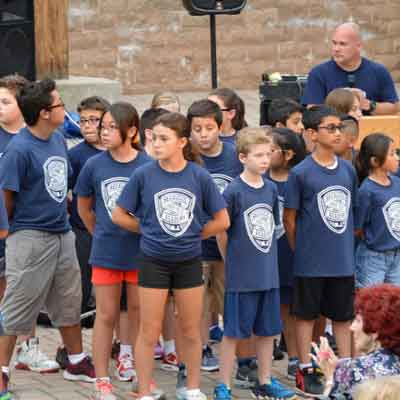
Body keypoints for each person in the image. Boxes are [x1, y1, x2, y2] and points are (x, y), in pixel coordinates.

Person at [112, 112, 230, 400]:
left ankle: (191, 387)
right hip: (153, 261)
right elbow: (118, 214)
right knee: (148, 330)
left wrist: (193, 233)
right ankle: (144, 391)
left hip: (189, 261)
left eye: (164, 138)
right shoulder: (144, 174)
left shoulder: (198, 175)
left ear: (181, 142)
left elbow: (223, 220)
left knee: (190, 330)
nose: (157, 143)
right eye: (153, 138)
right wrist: (148, 229)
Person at [0, 78, 95, 399]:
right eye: (59, 105)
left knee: (69, 299)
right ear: (43, 112)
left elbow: (61, 182)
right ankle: (1, 371)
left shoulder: (55, 139)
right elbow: (7, 199)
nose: (63, 109)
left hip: (61, 232)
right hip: (29, 237)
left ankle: (76, 359)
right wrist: (19, 232)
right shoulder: (19, 150)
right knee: (17, 307)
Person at [213, 127, 296, 400]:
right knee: (234, 332)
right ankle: (223, 384)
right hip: (242, 275)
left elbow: (272, 227)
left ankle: (265, 379)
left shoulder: (271, 188)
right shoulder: (234, 191)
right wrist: (231, 260)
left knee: (267, 331)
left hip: (267, 274)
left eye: (268, 154)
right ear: (242, 157)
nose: (264, 159)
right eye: (258, 155)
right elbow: (222, 231)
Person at [75, 102, 149, 399]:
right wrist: (101, 233)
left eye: (109, 128)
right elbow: (84, 207)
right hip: (106, 252)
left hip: (140, 252)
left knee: (137, 310)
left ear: (131, 131)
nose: (102, 133)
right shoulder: (94, 164)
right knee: (105, 315)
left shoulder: (145, 164)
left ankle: (130, 358)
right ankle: (101, 379)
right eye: (100, 127)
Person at [283, 105, 358, 396]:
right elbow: (290, 218)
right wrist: (301, 250)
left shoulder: (348, 169)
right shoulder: (301, 173)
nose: (338, 133)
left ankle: (345, 371)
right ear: (312, 134)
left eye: (340, 127)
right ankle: (305, 369)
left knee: (343, 317)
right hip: (310, 261)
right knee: (305, 316)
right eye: (331, 128)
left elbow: (349, 212)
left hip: (341, 260)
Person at [187, 99, 243, 375]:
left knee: (227, 300)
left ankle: (241, 357)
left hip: (227, 243)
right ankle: (199, 349)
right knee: (196, 304)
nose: (203, 134)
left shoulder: (234, 156)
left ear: (220, 127)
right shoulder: (185, 157)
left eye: (209, 127)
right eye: (196, 128)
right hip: (194, 245)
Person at [311, 284, 400, 398]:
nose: (351, 327)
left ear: (375, 330)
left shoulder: (356, 369)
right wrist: (340, 366)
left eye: (358, 321)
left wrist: (330, 379)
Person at [268, 128, 307, 381]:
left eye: (270, 150)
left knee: (295, 307)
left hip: (294, 251)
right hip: (268, 252)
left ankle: (297, 356)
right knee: (280, 305)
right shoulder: (260, 180)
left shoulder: (299, 178)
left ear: (288, 154)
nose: (265, 155)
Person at [68, 96, 109, 315]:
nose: (87, 126)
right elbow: (65, 191)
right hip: (82, 229)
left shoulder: (119, 153)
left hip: (112, 229)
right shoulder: (75, 155)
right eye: (83, 121)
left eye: (94, 120)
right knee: (83, 279)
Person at [302, 22, 399, 115]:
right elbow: (312, 111)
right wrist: (342, 104)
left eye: (342, 44)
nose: (336, 49)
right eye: (334, 43)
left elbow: (394, 107)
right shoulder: (319, 73)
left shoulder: (379, 71)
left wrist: (367, 105)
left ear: (358, 46)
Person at [354, 133, 400, 288]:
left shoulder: (397, 183)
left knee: (395, 304)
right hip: (373, 258)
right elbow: (358, 228)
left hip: (397, 254)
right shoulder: (366, 191)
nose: (397, 158)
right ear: (375, 161)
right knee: (372, 304)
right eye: (392, 154)